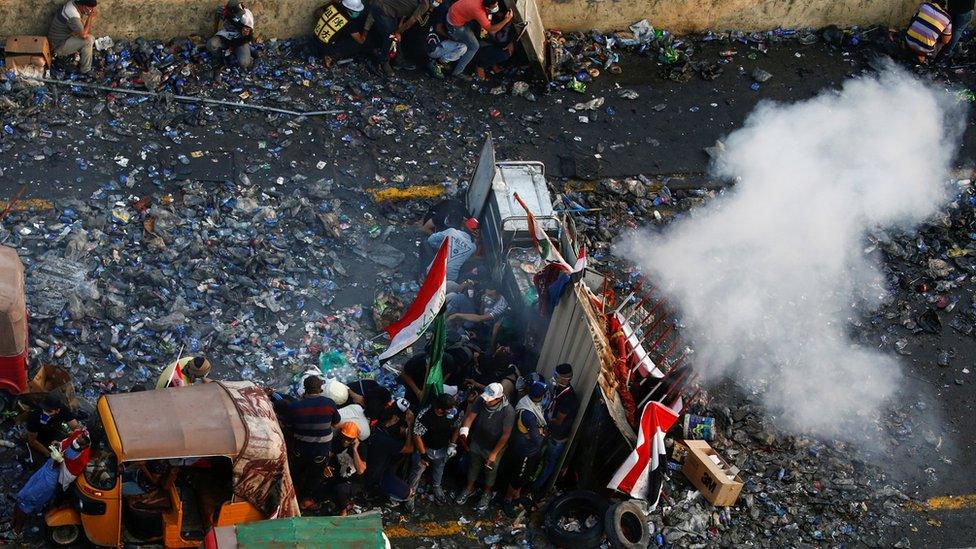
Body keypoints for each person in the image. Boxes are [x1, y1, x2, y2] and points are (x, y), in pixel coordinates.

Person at [12, 430, 91, 534]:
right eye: (81, 435)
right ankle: (13, 523)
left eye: (82, 438)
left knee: (26, 503)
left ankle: (17, 531)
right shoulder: (77, 438)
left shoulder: (80, 456)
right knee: (22, 495)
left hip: (50, 479)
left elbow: (69, 469)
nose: (79, 437)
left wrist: (60, 461)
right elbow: (65, 445)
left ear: (85, 444)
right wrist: (58, 445)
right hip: (47, 468)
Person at [456, 382, 514, 510]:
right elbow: (470, 418)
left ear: (498, 399)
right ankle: (469, 488)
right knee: (473, 465)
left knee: (490, 471)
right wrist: (464, 433)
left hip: (494, 447)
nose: (486, 402)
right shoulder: (481, 401)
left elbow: (506, 435)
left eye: (490, 400)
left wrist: (494, 454)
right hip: (477, 441)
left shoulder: (508, 411)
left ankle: (487, 493)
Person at [284, 376, 342, 496]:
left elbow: (288, 426)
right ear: (320, 388)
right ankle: (307, 497)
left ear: (305, 389)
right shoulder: (329, 404)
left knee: (298, 471)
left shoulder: (294, 406)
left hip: (301, 449)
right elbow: (336, 424)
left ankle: (293, 492)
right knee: (315, 475)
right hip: (321, 450)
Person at [405, 393, 459, 509]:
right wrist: (423, 454)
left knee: (440, 468)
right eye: (448, 410)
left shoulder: (453, 413)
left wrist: (452, 445)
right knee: (417, 472)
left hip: (442, 448)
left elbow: (456, 427)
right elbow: (417, 435)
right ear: (439, 409)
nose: (451, 411)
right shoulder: (425, 415)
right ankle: (410, 495)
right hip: (425, 448)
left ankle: (436, 486)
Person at [530, 363, 579, 492]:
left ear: (564, 379)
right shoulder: (559, 389)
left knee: (549, 462)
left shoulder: (568, 398)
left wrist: (542, 419)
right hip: (551, 432)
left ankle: (536, 488)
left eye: (556, 376)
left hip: (558, 438)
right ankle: (531, 480)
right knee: (539, 456)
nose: (554, 378)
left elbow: (558, 421)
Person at [500, 381, 546, 516]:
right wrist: (541, 434)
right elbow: (537, 440)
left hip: (525, 446)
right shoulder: (529, 414)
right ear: (541, 396)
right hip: (526, 451)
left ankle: (516, 497)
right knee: (518, 477)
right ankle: (507, 500)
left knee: (524, 475)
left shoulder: (526, 402)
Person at [307, 421, 367, 515]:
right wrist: (326, 467)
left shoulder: (361, 447)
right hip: (337, 478)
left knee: (340, 489)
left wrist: (355, 450)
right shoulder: (336, 443)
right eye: (344, 437)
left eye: (349, 439)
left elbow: (360, 470)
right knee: (308, 501)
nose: (346, 441)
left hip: (353, 482)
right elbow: (327, 457)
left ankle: (344, 510)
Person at [361, 0, 432, 76]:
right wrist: (398, 32)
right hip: (382, 10)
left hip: (391, 13)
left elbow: (404, 10)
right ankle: (381, 63)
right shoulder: (424, 4)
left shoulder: (425, 4)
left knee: (395, 36)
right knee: (391, 37)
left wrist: (399, 30)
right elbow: (412, 20)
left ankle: (398, 60)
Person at [446, 0, 513, 79]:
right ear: (487, 7)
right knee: (474, 46)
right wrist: (506, 20)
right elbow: (491, 29)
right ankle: (457, 72)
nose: (497, 5)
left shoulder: (480, 4)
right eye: (495, 5)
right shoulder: (479, 12)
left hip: (455, 11)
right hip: (455, 24)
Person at [363, 408, 414, 502]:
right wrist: (410, 425)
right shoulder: (384, 440)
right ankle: (377, 493)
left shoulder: (376, 427)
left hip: (374, 466)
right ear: (393, 419)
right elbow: (409, 449)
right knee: (408, 493)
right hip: (377, 476)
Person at [25, 395, 80, 466]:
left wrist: (74, 436)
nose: (45, 413)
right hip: (39, 440)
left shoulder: (62, 410)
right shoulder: (34, 416)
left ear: (57, 411)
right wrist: (50, 454)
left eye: (49, 411)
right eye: (44, 409)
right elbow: (32, 441)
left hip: (54, 433)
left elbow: (75, 426)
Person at [312, 0, 368, 67]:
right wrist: (366, 29)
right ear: (350, 10)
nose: (357, 12)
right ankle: (330, 56)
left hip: (314, 37)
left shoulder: (333, 5)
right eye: (356, 11)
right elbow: (361, 40)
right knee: (357, 44)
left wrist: (328, 21)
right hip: (324, 48)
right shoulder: (348, 22)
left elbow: (316, 12)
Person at [48, 0, 98, 75]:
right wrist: (90, 17)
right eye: (90, 9)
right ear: (83, 6)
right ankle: (86, 70)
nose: (91, 11)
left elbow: (80, 27)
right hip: (58, 45)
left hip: (63, 38)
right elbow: (84, 35)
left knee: (90, 38)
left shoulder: (73, 4)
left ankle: (77, 55)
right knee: (88, 40)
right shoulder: (72, 14)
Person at [425, 215, 479, 283]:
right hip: (449, 280)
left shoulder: (451, 231)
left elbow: (431, 240)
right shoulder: (472, 247)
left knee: (425, 243)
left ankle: (422, 276)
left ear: (463, 226)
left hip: (432, 272)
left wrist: (442, 247)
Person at [421, 0, 468, 78]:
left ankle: (438, 62)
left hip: (437, 42)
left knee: (462, 46)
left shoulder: (449, 6)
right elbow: (438, 28)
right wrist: (451, 38)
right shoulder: (444, 8)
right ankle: (437, 63)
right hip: (433, 46)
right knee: (462, 47)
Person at [208, 0, 255, 70]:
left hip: (240, 39)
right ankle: (220, 59)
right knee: (211, 45)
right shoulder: (223, 11)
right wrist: (215, 33)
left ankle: (249, 52)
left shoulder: (247, 17)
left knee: (244, 63)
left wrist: (233, 46)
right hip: (225, 35)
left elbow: (248, 37)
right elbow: (216, 20)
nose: (238, 15)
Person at [472, 5, 515, 80]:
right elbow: (485, 35)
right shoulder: (485, 16)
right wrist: (506, 22)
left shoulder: (495, 16)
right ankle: (480, 66)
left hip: (491, 41)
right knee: (505, 53)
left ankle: (492, 63)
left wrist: (511, 42)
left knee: (505, 47)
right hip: (482, 43)